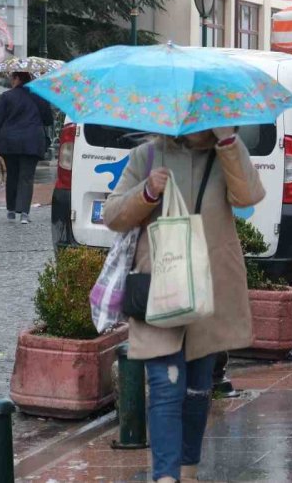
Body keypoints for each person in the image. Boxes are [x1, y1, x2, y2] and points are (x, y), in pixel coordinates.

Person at [103, 128, 264, 483]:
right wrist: (146, 193)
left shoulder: (225, 155)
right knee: (165, 384)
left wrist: (228, 143)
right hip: (159, 288)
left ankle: (187, 471)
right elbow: (112, 215)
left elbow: (250, 194)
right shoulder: (146, 156)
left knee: (197, 389)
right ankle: (165, 477)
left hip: (208, 291)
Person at [0, 72, 53, 224]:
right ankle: (24, 213)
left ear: (17, 79)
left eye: (12, 78)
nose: (10, 81)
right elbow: (48, 120)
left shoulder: (6, 96)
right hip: (32, 141)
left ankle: (11, 211)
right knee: (26, 177)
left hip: (10, 142)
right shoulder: (40, 96)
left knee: (13, 175)